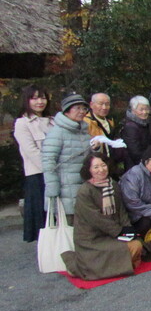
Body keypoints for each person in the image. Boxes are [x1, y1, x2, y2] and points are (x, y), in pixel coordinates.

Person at [61, 153, 143, 280]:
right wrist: (119, 231)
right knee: (131, 248)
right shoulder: (85, 191)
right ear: (89, 170)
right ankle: (78, 266)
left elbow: (121, 211)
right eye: (96, 167)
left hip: (112, 232)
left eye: (103, 165)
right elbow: (96, 219)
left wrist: (127, 230)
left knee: (137, 243)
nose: (101, 170)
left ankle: (118, 263)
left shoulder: (113, 184)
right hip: (93, 238)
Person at [42, 93, 94, 221]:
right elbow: (48, 162)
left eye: (84, 108)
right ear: (66, 110)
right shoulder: (57, 132)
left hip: (83, 186)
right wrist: (53, 189)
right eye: (77, 108)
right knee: (69, 227)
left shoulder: (83, 130)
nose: (82, 112)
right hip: (65, 189)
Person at [14, 85, 54, 242]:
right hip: (38, 176)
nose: (40, 101)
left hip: (56, 173)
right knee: (42, 219)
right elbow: (33, 153)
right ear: (27, 100)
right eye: (35, 98)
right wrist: (51, 170)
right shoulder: (22, 123)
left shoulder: (53, 121)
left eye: (43, 97)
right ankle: (46, 253)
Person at [121, 96, 151, 170]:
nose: (144, 112)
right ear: (133, 110)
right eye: (141, 109)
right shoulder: (130, 126)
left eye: (146, 109)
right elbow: (135, 152)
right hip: (135, 166)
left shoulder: (144, 123)